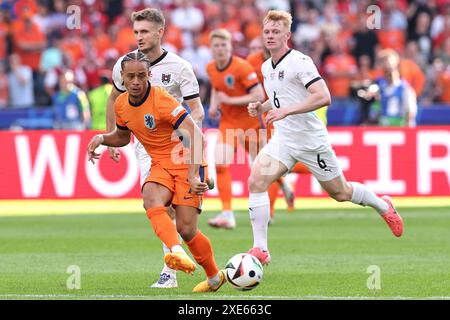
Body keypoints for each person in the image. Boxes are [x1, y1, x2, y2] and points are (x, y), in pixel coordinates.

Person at [246, 11, 404, 265]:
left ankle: (383, 205)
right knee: (256, 181)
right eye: (267, 32)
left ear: (287, 35)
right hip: (284, 138)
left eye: (276, 32)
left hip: (310, 140)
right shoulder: (267, 67)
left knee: (340, 192)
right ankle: (260, 249)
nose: (271, 36)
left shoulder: (300, 61)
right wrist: (262, 107)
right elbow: (282, 96)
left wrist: (285, 111)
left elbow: (323, 96)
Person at [87, 52, 226, 293]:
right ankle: (177, 252)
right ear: (122, 77)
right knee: (150, 198)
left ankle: (214, 277)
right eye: (130, 76)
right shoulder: (121, 105)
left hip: (185, 162)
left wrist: (194, 175)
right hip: (161, 164)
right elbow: (122, 136)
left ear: (149, 75)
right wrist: (102, 138)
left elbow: (195, 135)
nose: (136, 81)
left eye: (141, 75)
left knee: (186, 229)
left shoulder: (162, 100)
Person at [106, 8, 206, 288]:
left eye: (144, 31)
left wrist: (183, 136)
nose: (139, 37)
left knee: (179, 213)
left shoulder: (179, 67)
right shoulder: (124, 65)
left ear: (160, 32)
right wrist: (110, 135)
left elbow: (196, 111)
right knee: (159, 205)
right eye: (136, 31)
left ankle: (176, 268)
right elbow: (114, 98)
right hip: (144, 145)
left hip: (176, 145)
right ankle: (171, 270)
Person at [205, 29, 265, 229]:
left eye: (224, 45)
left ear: (230, 47)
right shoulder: (211, 68)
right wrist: (214, 104)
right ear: (211, 49)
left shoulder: (241, 67)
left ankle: (266, 210)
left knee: (264, 171)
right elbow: (216, 87)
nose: (220, 49)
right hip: (228, 124)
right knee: (220, 164)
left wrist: (230, 100)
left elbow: (259, 94)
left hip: (251, 125)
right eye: (216, 46)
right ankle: (227, 214)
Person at [370, 49, 417, 127]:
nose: (386, 64)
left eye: (388, 61)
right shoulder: (379, 85)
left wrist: (408, 127)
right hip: (383, 129)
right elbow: (375, 108)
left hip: (399, 128)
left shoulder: (404, 88)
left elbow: (410, 111)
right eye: (383, 61)